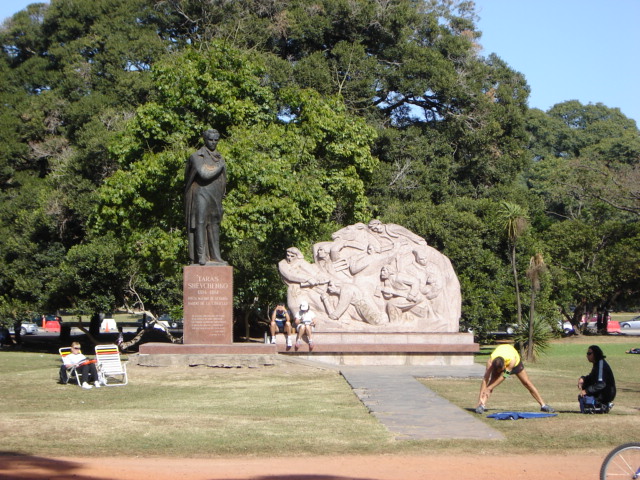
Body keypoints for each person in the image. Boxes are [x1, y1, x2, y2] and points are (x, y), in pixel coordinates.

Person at [185, 128, 227, 266]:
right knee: (200, 223)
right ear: (204, 139)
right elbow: (203, 174)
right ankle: (201, 255)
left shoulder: (220, 158)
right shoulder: (197, 156)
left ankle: (216, 255)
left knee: (214, 225)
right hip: (201, 193)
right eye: (210, 139)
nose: (213, 142)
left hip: (215, 196)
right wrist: (219, 167)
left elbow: (223, 180)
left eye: (216, 140)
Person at [475, 344, 554, 414]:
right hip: (500, 359)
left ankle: (543, 405)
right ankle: (481, 405)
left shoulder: (512, 360)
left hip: (515, 364)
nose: (500, 372)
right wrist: (482, 396)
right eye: (498, 371)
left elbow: (504, 376)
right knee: (491, 382)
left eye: (502, 369)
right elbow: (485, 379)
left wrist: (489, 387)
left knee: (527, 383)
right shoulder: (490, 362)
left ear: (504, 365)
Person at [578, 345, 616, 413]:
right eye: (587, 354)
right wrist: (583, 379)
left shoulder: (601, 364)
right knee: (585, 385)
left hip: (607, 392)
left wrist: (586, 391)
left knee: (585, 393)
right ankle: (595, 404)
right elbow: (591, 377)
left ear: (595, 354)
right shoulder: (597, 364)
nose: (587, 356)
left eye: (589, 354)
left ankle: (603, 405)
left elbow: (601, 384)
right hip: (603, 390)